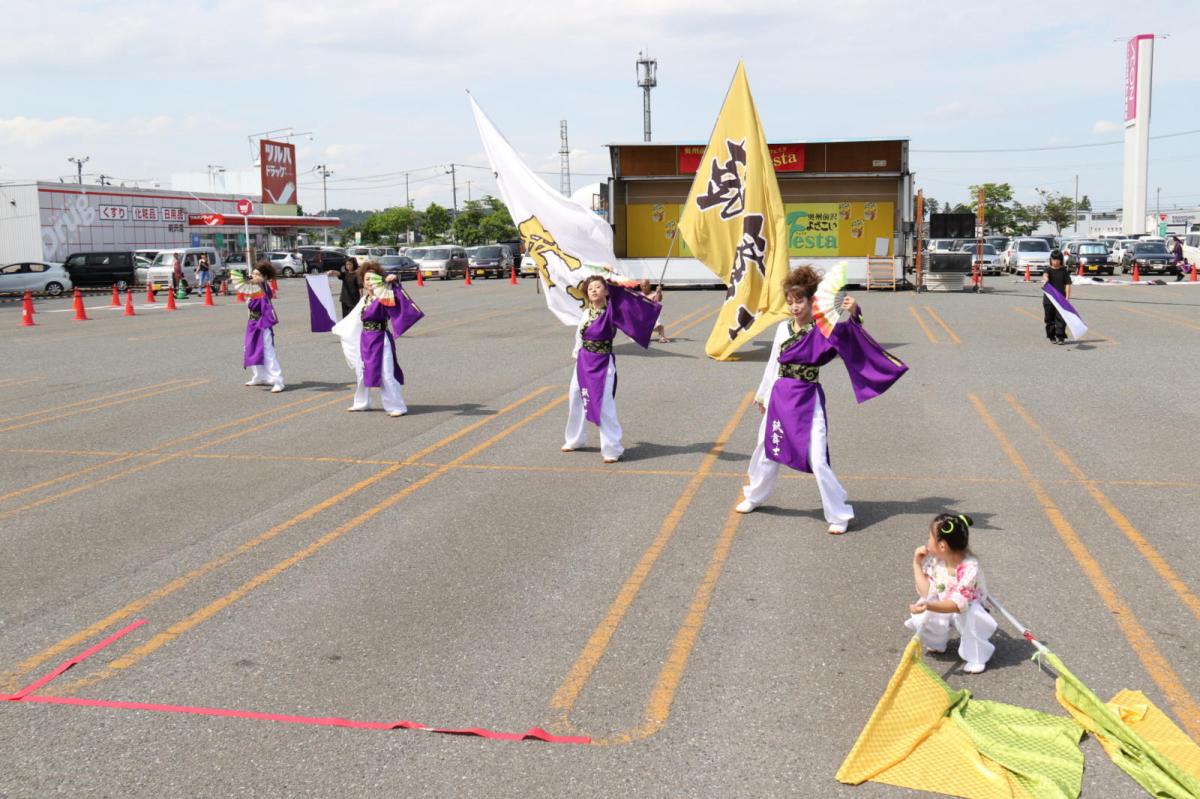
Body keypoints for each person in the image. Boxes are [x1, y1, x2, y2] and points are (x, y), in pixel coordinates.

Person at [736, 265, 908, 533]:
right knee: (768, 449)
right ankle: (755, 496)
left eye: (799, 301)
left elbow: (850, 338)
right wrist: (763, 394)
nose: (794, 307)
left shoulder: (823, 329)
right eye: (790, 301)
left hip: (807, 397)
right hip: (781, 396)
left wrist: (854, 313)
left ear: (811, 300)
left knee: (817, 457)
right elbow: (773, 365)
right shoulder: (783, 328)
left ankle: (838, 514)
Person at [562, 273, 661, 463]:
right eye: (590, 288)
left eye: (598, 287)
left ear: (606, 291)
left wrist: (650, 305)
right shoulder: (585, 313)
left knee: (604, 404)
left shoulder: (613, 312)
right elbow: (579, 338)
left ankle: (612, 449)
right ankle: (575, 439)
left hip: (602, 363)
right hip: (583, 362)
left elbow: (635, 315)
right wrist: (577, 355)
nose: (593, 290)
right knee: (576, 397)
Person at [905, 513, 996, 674]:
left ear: (942, 546)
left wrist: (930, 605)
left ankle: (976, 656)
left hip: (966, 609)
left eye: (929, 538)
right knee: (924, 609)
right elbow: (927, 591)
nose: (926, 542)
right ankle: (937, 641)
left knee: (972, 616)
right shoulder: (937, 562)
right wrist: (916, 564)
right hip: (943, 603)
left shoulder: (970, 567)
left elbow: (957, 604)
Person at [335, 261, 423, 416]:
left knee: (386, 373)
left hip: (381, 339)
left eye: (372, 279)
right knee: (361, 371)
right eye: (366, 279)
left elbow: (398, 301)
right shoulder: (364, 300)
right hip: (365, 339)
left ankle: (396, 406)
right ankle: (362, 402)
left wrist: (394, 283)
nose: (369, 282)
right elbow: (353, 319)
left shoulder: (384, 295)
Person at [231, 261, 284, 393]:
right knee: (249, 348)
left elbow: (265, 305)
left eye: (258, 274)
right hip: (252, 322)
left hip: (262, 323)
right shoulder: (252, 287)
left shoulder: (263, 288)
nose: (254, 276)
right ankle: (259, 376)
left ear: (265, 277)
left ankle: (278, 380)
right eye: (253, 273)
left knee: (268, 351)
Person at [1042, 250, 1071, 344]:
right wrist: (1045, 280)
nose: (1055, 262)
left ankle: (1060, 336)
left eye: (1058, 260)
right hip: (1049, 298)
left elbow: (1068, 284)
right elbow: (1045, 275)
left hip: (1061, 298)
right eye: (1054, 259)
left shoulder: (1064, 271)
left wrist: (1067, 298)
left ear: (1061, 260)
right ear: (1051, 259)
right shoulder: (1048, 269)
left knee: (1061, 318)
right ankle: (1051, 336)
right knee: (1049, 318)